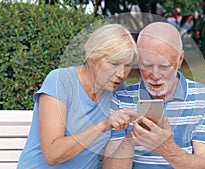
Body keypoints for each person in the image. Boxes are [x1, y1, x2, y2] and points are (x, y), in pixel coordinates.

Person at [17, 24, 138, 169]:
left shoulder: (118, 91)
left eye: (127, 66)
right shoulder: (61, 81)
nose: (121, 74)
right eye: (114, 63)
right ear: (92, 58)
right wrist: (102, 125)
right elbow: (52, 155)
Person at [103, 22, 205, 169]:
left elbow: (202, 166)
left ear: (179, 60)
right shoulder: (122, 98)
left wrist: (168, 149)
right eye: (147, 65)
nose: (155, 76)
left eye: (164, 66)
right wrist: (130, 141)